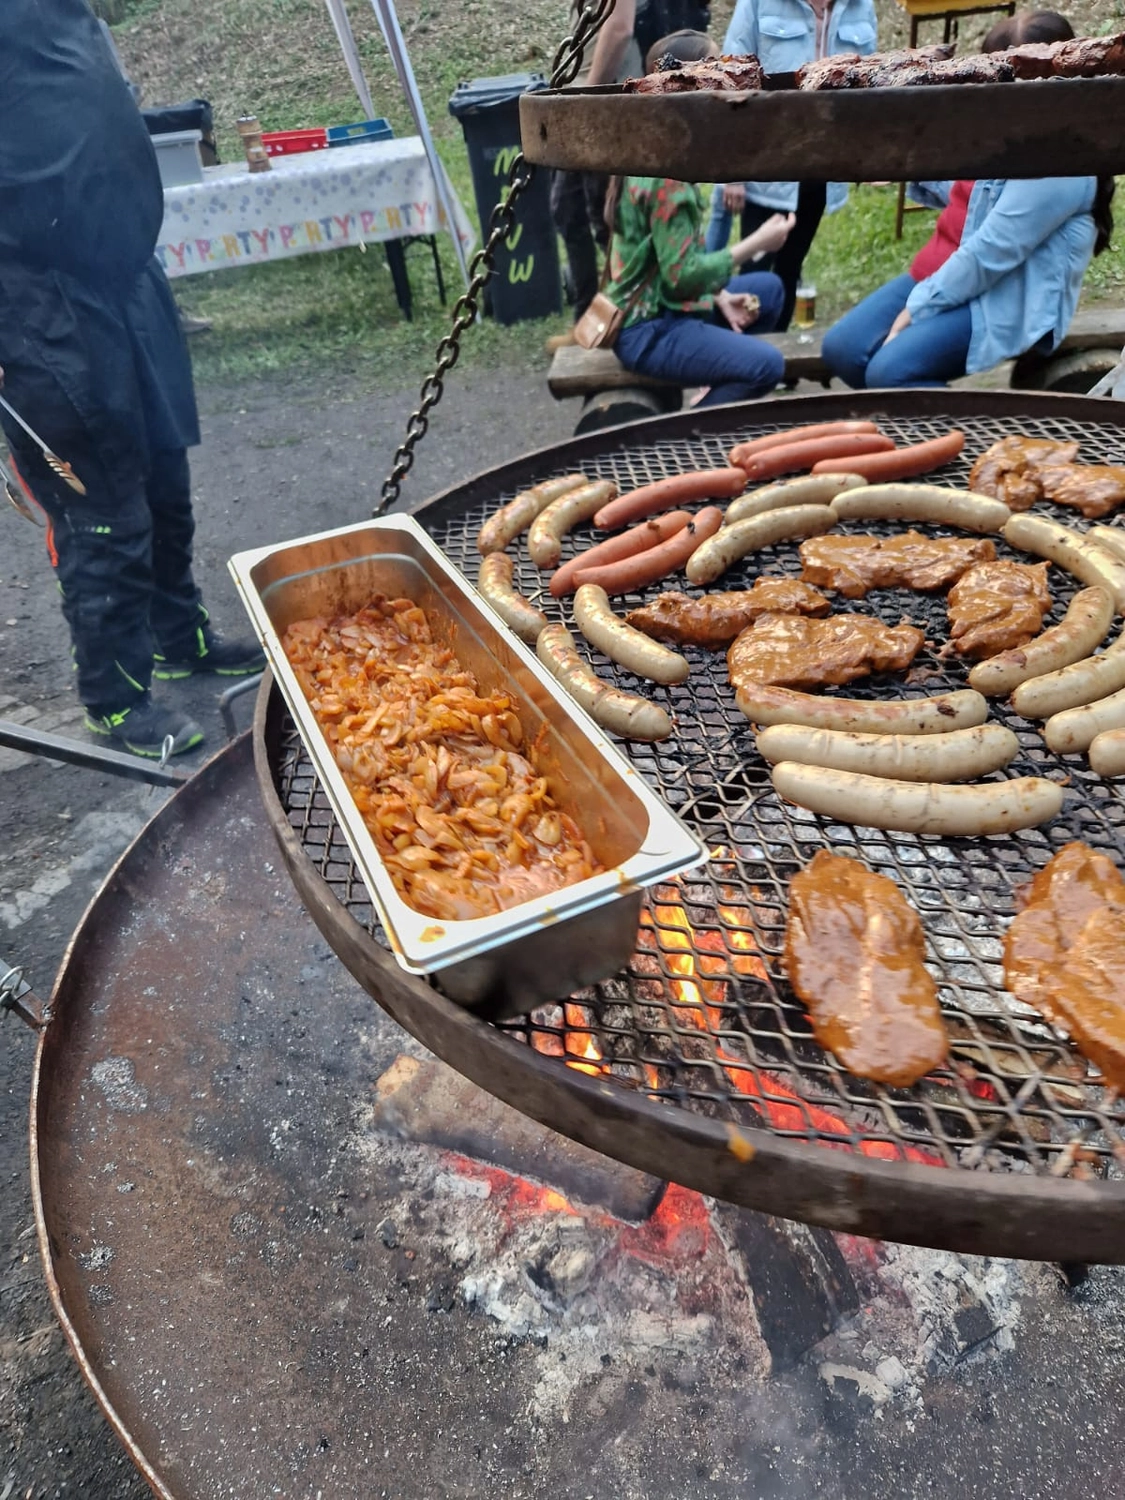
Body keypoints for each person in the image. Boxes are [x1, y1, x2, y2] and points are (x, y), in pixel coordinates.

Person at [0, 0, 263, 759]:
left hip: (124, 280)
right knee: (102, 511)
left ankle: (179, 637)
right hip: (32, 302)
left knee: (164, 482)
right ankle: (116, 700)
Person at [820, 10, 1113, 389]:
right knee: (843, 349)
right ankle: (902, 425)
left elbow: (991, 253)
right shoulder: (1009, 131)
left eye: (1003, 78)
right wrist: (900, 169)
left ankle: (964, 440)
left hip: (1001, 297)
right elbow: (971, 194)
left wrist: (916, 308)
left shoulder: (1060, 164)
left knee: (889, 371)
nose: (988, 89)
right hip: (945, 273)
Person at [605, 31, 795, 406]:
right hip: (649, 326)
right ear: (689, 85)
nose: (726, 81)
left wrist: (719, 294)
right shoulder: (668, 179)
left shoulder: (653, 146)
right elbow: (681, 279)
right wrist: (756, 244)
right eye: (716, 70)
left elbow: (668, 263)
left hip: (670, 304)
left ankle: (717, 382)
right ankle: (695, 429)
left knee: (769, 293)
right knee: (768, 366)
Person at [703, 0, 878, 329]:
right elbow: (729, 79)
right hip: (765, 163)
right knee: (755, 269)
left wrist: (866, 155)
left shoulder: (861, 6)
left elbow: (868, 81)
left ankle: (776, 355)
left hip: (821, 166)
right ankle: (739, 355)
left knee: (791, 265)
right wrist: (733, 170)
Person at [550, 0, 710, 339]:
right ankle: (591, 320)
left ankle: (621, 318)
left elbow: (620, 28)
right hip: (590, 97)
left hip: (604, 101)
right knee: (571, 210)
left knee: (608, 222)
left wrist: (586, 97)